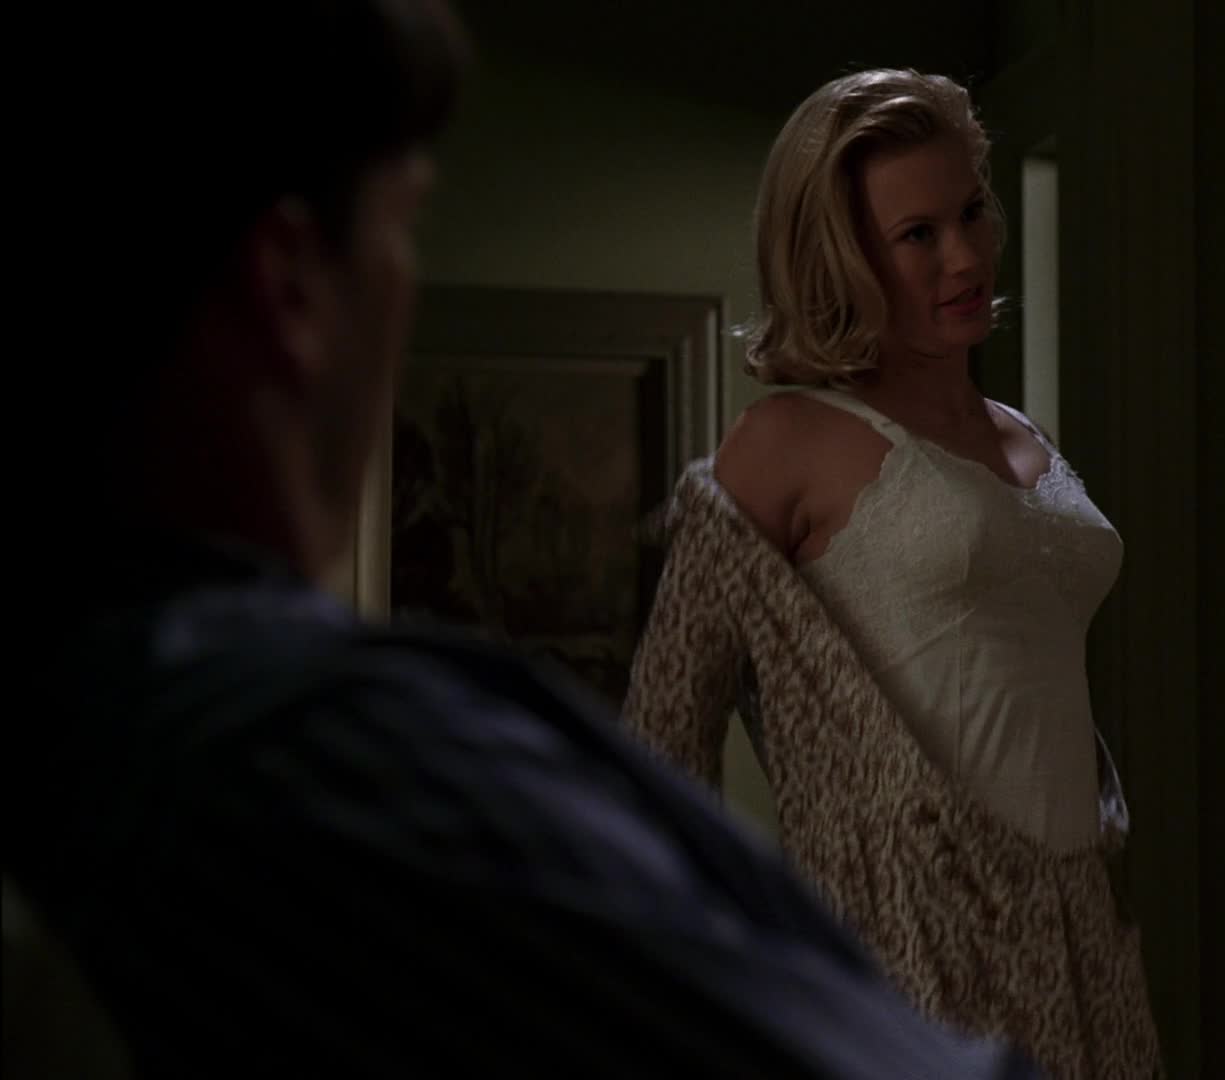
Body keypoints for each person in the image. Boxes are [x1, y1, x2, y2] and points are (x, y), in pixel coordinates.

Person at [5, 7, 1040, 1078]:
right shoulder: (334, 773)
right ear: (291, 287)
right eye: (403, 225)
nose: (961, 254)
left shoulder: (100, 744)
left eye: (973, 212)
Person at [623, 69, 1162, 1078]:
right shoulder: (783, 443)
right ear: (843, 256)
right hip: (908, 940)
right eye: (918, 235)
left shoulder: (1023, 436)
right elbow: (661, 743)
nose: (965, 257)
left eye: (973, 212)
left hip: (1081, 940)